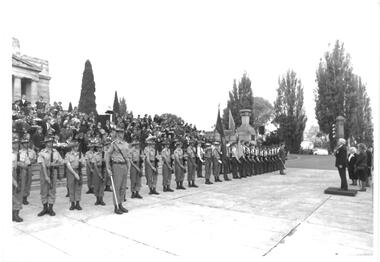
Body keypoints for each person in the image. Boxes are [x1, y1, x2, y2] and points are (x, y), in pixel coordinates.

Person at [37, 137, 64, 216]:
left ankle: (51, 208)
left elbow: (61, 162)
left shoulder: (56, 152)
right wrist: (46, 176)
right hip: (44, 172)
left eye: (52, 142)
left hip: (54, 171)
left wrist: (54, 164)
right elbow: (42, 165)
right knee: (44, 190)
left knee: (52, 189)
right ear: (46, 143)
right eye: (49, 142)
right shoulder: (42, 152)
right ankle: (45, 208)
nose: (51, 143)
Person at [106, 127, 130, 214]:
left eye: (123, 132)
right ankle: (116, 206)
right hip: (116, 166)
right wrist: (108, 167)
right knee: (117, 187)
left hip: (124, 166)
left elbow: (127, 156)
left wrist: (128, 166)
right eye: (120, 132)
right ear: (117, 134)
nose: (122, 134)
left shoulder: (126, 144)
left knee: (123, 187)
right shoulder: (114, 144)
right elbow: (108, 155)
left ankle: (120, 204)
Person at [65, 140, 86, 210]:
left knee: (78, 188)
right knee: (71, 187)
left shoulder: (80, 154)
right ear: (72, 147)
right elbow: (68, 165)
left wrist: (82, 162)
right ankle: (72, 204)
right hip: (71, 172)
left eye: (77, 146)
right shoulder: (68, 154)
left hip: (78, 171)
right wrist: (74, 174)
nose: (77, 147)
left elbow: (84, 164)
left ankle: (77, 203)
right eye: (75, 146)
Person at [12, 137, 26, 222]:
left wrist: (19, 163)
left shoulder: (23, 153)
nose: (15, 145)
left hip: (21, 173)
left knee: (19, 193)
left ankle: (16, 214)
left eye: (16, 143)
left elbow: (26, 165)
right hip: (12, 173)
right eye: (13, 143)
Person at [22, 138, 37, 205]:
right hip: (22, 168)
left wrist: (31, 161)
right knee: (22, 182)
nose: (26, 144)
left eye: (27, 143)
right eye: (25, 143)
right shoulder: (19, 152)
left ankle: (25, 197)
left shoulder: (32, 152)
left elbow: (35, 160)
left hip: (30, 167)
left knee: (28, 182)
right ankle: (21, 196)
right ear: (22, 144)